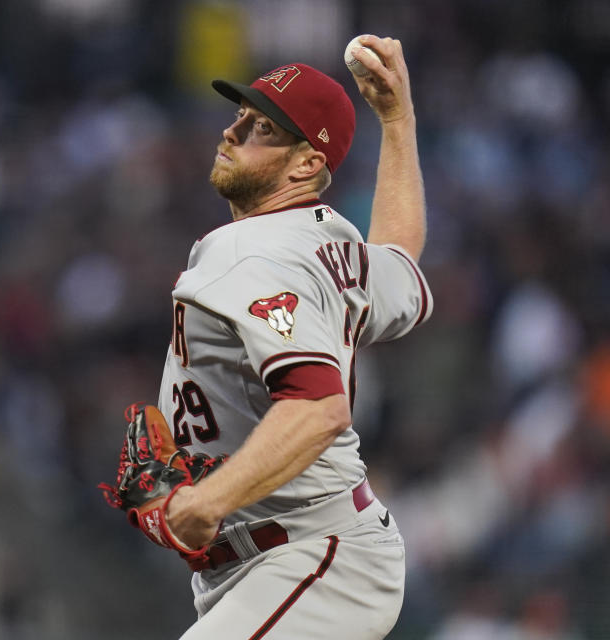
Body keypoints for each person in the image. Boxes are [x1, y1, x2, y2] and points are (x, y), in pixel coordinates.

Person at [157, 35, 431, 638]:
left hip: (315, 557)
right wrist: (397, 120)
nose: (232, 132)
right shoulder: (328, 242)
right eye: (240, 116)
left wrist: (208, 500)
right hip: (290, 557)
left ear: (307, 165)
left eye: (261, 129)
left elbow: (318, 407)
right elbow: (399, 258)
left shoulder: (256, 250)